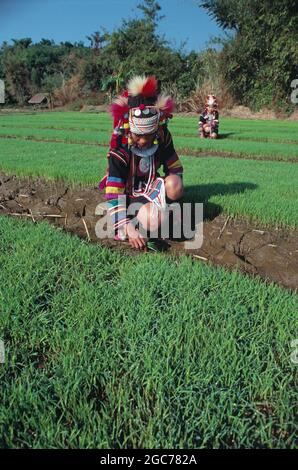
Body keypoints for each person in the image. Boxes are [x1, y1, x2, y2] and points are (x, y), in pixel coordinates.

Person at [99, 75, 184, 250]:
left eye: (149, 134)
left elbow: (175, 167)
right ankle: (136, 225)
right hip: (128, 196)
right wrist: (127, 226)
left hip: (150, 190)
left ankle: (163, 214)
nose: (144, 141)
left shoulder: (163, 137)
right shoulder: (120, 151)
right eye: (138, 135)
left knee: (175, 184)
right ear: (128, 129)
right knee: (153, 219)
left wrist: (172, 202)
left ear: (157, 128)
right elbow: (114, 194)